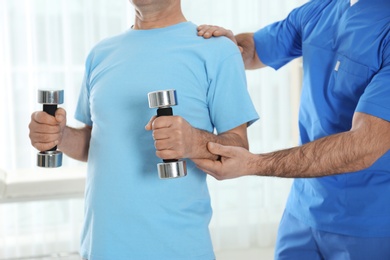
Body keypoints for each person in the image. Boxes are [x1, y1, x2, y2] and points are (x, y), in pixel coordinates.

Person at [28, 0, 258, 259]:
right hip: (101, 247)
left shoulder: (217, 49)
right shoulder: (101, 53)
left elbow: (239, 150)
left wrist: (193, 142)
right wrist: (59, 135)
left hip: (178, 248)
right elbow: (94, 144)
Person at [195, 0, 390, 259]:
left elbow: (364, 146)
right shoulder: (321, 9)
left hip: (368, 224)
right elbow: (253, 51)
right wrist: (228, 49)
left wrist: (254, 164)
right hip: (303, 209)